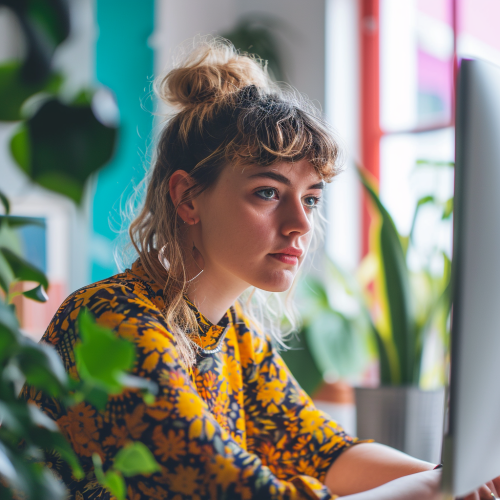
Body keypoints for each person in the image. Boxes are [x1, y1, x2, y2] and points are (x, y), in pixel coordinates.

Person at [21, 38, 500, 500]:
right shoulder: (113, 320)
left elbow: (323, 452)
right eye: (268, 192)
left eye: (310, 198)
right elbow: (243, 493)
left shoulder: (233, 334)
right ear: (188, 197)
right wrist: (439, 487)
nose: (300, 224)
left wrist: (457, 478)